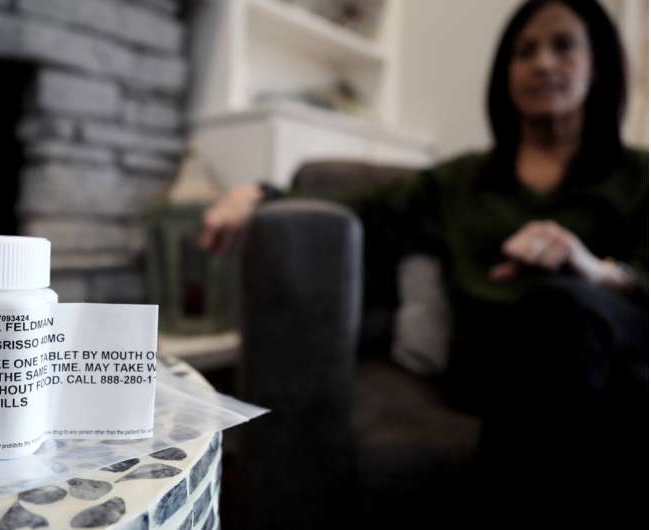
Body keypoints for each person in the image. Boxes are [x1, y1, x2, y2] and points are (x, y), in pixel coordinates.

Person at [200, 0, 648, 526]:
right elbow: (356, 213)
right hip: (491, 369)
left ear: (600, 63)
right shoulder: (458, 183)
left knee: (572, 312)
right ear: (506, 73)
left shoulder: (635, 177)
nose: (544, 63)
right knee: (555, 314)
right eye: (525, 51)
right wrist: (261, 191)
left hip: (613, 361)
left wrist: (594, 269)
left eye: (563, 45)